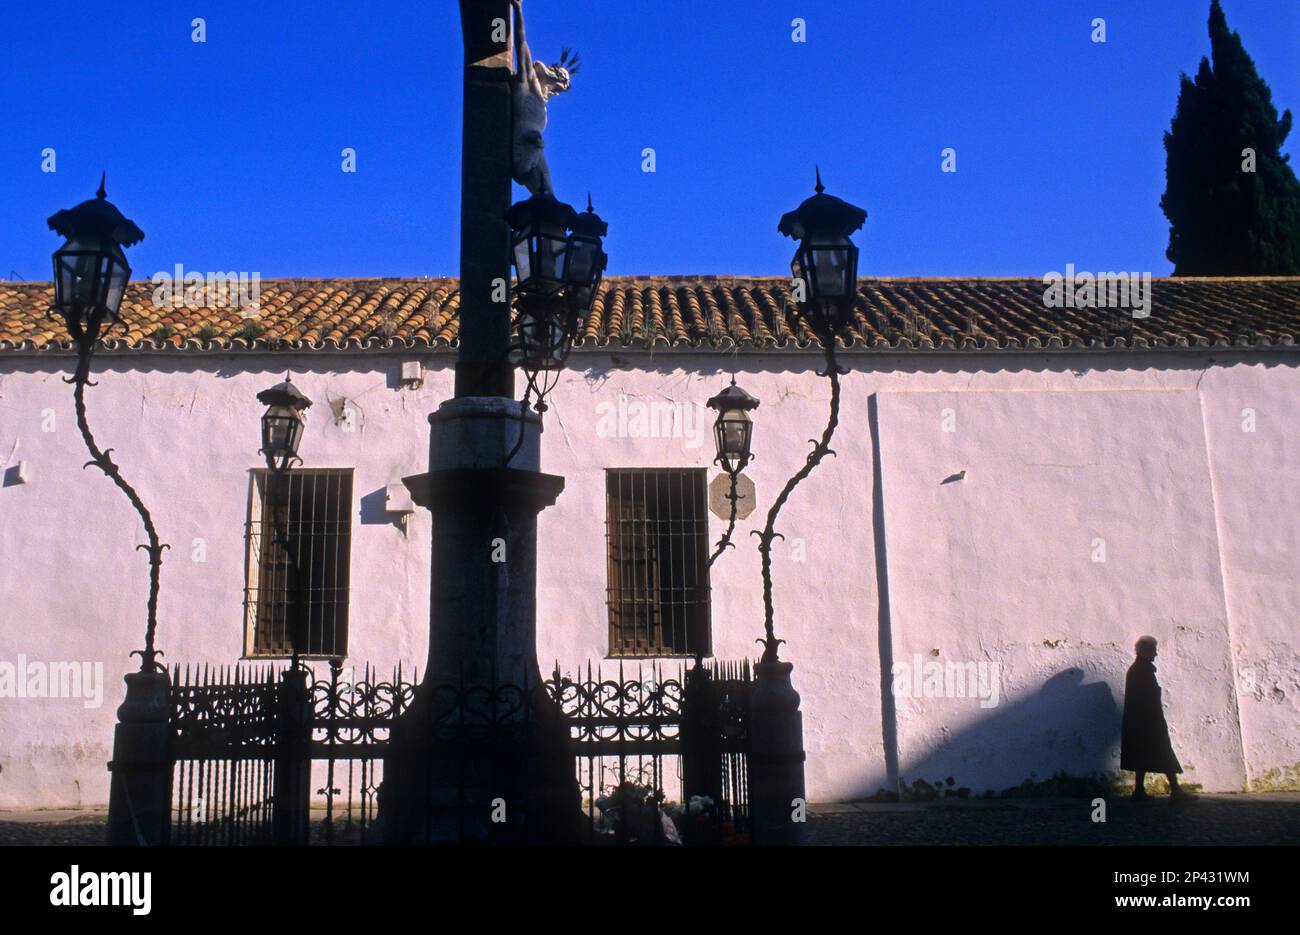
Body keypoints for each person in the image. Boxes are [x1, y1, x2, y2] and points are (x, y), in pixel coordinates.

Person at [1121, 636, 1195, 802]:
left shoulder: (1138, 669)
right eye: (1153, 649)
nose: (1156, 653)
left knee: (1142, 756)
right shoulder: (1143, 670)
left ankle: (1139, 790)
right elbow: (1147, 697)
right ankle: (1175, 791)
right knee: (1164, 754)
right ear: (1145, 651)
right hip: (1149, 721)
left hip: (1140, 722)